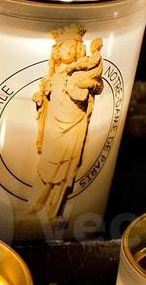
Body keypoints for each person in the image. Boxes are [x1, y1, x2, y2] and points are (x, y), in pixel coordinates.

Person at [27, 27, 104, 225]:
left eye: (72, 46)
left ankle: (53, 210)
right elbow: (48, 98)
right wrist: (40, 99)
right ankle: (36, 205)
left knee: (65, 165)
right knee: (48, 161)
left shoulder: (80, 72)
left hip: (74, 121)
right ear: (57, 50)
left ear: (79, 48)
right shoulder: (55, 74)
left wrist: (87, 87)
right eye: (64, 46)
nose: (68, 50)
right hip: (55, 122)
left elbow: (96, 86)